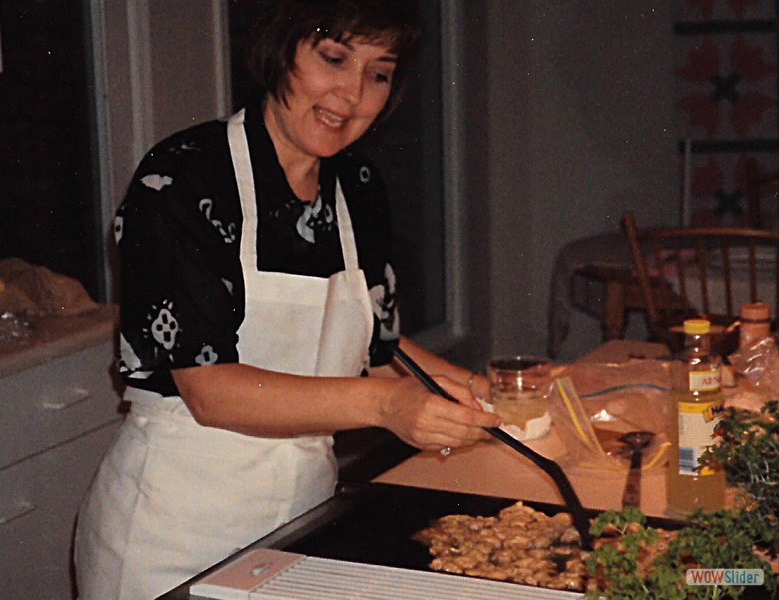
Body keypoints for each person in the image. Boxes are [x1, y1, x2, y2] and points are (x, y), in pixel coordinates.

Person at [73, 1, 500, 598]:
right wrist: (387, 406)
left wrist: (487, 393)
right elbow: (208, 389)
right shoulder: (184, 177)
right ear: (281, 48)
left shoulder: (358, 188)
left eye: (379, 73)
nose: (352, 95)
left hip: (302, 521)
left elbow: (377, 350)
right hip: (172, 534)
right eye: (334, 59)